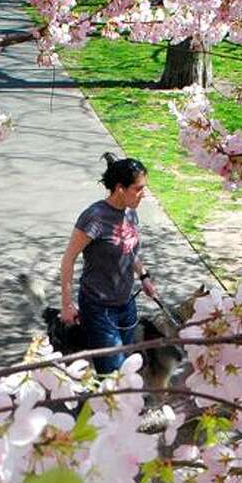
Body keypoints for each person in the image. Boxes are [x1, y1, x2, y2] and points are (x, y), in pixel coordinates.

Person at [60, 154, 157, 375]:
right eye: (138, 188)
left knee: (126, 369)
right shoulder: (94, 217)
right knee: (115, 374)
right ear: (120, 188)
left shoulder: (131, 214)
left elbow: (129, 250)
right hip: (98, 309)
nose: (144, 194)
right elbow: (68, 260)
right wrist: (67, 304)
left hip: (126, 306)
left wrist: (144, 277)